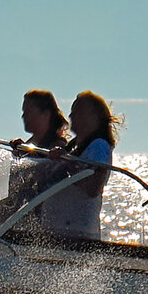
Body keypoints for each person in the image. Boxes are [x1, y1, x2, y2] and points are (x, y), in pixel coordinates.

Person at [39, 90, 119, 240]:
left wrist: (67, 164)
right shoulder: (73, 148)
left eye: (77, 112)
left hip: (77, 237)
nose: (70, 116)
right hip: (57, 232)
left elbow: (93, 187)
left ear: (93, 117)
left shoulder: (99, 146)